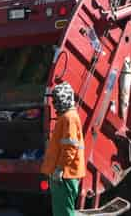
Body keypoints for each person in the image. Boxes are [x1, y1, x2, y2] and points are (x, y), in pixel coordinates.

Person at [41, 82, 86, 216]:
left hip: (65, 174)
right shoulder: (66, 117)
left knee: (64, 212)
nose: (54, 103)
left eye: (56, 99)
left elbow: (70, 147)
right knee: (62, 210)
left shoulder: (69, 118)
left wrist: (60, 168)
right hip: (64, 174)